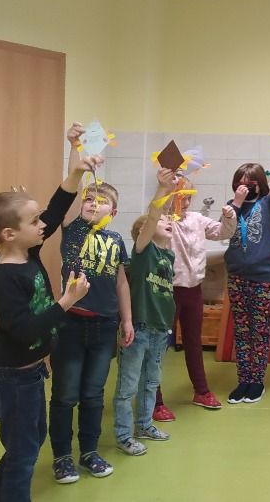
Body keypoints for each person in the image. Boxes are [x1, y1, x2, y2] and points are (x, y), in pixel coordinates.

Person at [0, 123, 95, 502]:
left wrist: (76, 170)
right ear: (8, 235)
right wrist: (66, 302)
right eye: (34, 221)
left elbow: (57, 208)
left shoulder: (27, 251)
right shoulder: (3, 280)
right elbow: (26, 330)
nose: (43, 224)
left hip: (31, 374)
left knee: (27, 443)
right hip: (11, 377)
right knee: (24, 453)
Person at [49, 137, 134, 483]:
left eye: (102, 201)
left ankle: (89, 452)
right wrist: (75, 150)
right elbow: (71, 188)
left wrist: (127, 320)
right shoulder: (73, 231)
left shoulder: (116, 240)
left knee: (93, 394)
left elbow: (121, 283)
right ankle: (62, 457)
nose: (93, 203)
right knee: (65, 395)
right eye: (89, 198)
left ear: (113, 212)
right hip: (70, 325)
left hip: (104, 327)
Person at [152, 176, 236, 419]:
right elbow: (151, 224)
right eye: (180, 196)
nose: (185, 201)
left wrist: (229, 216)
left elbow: (223, 231)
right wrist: (163, 194)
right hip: (167, 291)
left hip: (193, 290)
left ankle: (201, 391)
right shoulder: (162, 221)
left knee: (193, 343)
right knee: (158, 346)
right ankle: (154, 400)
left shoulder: (197, 219)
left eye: (188, 196)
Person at [224, 149, 270, 404]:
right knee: (242, 330)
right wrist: (235, 202)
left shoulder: (268, 204)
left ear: (259, 185)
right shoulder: (231, 207)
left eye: (249, 184)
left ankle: (257, 381)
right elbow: (224, 229)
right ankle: (243, 380)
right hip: (237, 276)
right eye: (239, 183)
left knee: (260, 329)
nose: (244, 188)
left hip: (263, 277)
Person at [113, 169, 179, 456]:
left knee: (151, 382)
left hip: (160, 329)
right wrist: (162, 191)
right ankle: (123, 435)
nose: (167, 221)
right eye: (162, 221)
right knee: (128, 385)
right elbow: (152, 217)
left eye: (168, 220)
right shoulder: (143, 252)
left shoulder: (168, 255)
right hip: (139, 328)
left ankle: (144, 425)